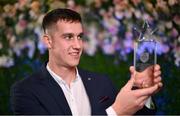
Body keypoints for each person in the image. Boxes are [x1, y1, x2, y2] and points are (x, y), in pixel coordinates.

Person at [10, 8, 163, 115]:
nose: (77, 45)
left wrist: (144, 90)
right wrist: (115, 112)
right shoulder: (25, 91)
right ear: (48, 41)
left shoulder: (101, 82)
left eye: (80, 37)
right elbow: (119, 112)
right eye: (68, 37)